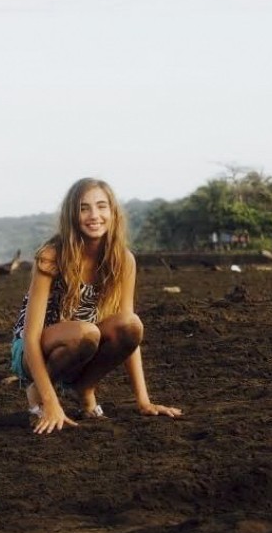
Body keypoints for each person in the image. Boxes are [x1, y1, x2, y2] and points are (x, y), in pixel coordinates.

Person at [10, 177, 183, 435]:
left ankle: (85, 388)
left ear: (112, 212)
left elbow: (129, 337)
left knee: (130, 324)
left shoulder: (123, 260)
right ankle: (36, 394)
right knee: (86, 332)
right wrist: (51, 402)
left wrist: (143, 401)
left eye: (101, 206)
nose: (94, 215)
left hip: (84, 344)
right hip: (33, 350)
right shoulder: (51, 256)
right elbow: (30, 336)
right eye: (84, 208)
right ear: (72, 214)